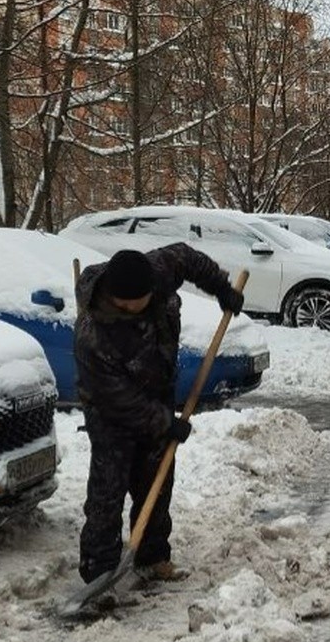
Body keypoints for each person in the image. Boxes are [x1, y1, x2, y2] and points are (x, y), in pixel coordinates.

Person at [73, 245, 244, 585]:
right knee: (107, 492)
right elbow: (117, 398)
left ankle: (152, 558)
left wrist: (221, 288)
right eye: (133, 305)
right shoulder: (94, 333)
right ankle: (99, 571)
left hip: (156, 394)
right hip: (110, 413)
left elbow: (188, 257)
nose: (143, 307)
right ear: (118, 300)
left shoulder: (157, 271)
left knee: (156, 483)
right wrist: (166, 423)